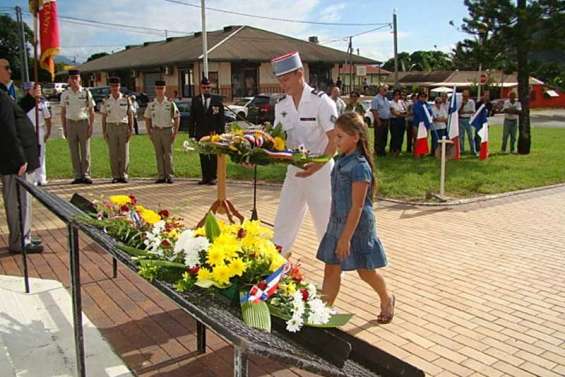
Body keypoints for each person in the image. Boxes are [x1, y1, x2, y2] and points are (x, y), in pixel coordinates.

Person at [317, 112, 394, 323]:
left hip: (357, 226)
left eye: (340, 137)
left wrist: (345, 238)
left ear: (356, 137)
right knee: (331, 268)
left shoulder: (359, 167)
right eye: (335, 136)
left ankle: (387, 298)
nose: (335, 141)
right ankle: (321, 313)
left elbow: (358, 206)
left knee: (365, 270)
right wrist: (334, 226)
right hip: (338, 223)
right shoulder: (341, 160)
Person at [270, 51, 337, 256]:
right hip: (295, 170)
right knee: (284, 220)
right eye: (280, 80)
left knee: (325, 221)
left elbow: (335, 138)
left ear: (300, 73)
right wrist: (255, 153)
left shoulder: (321, 102)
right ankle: (277, 265)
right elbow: (276, 140)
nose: (283, 84)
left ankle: (334, 270)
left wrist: (318, 164)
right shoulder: (281, 105)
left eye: (286, 79)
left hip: (321, 170)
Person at [0, 58, 43, 253]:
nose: (10, 71)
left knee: (20, 201)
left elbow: (15, 113)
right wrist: (20, 158)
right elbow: (7, 129)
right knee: (19, 202)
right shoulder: (1, 95)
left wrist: (29, 98)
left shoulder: (4, 94)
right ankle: (19, 241)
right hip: (14, 162)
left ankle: (23, 237)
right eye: (6, 68)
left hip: (13, 160)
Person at [188, 77, 226, 185]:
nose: (206, 89)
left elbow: (221, 118)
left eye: (208, 87)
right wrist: (191, 134)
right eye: (204, 87)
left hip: (213, 133)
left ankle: (213, 177)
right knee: (203, 155)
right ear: (200, 88)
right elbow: (192, 118)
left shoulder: (217, 100)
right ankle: (205, 177)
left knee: (213, 155)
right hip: (200, 132)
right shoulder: (196, 100)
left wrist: (221, 134)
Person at [60, 69, 95, 184]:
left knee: (86, 150)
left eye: (76, 78)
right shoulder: (65, 94)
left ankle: (86, 174)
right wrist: (64, 127)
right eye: (72, 78)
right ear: (68, 80)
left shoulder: (85, 92)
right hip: (70, 123)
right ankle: (77, 175)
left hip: (83, 123)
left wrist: (91, 126)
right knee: (73, 151)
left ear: (80, 79)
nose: (74, 80)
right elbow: (63, 112)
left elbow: (92, 110)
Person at [144, 80, 180, 184]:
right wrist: (149, 132)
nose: (160, 91)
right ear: (155, 90)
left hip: (167, 130)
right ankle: (161, 176)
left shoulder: (170, 103)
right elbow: (147, 118)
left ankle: (169, 176)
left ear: (165, 89)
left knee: (168, 154)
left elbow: (177, 118)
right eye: (158, 88)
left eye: (162, 88)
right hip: (156, 131)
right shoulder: (151, 105)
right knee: (158, 154)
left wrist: (175, 133)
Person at [100, 77, 133, 183]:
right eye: (113, 86)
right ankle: (115, 175)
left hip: (123, 126)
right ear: (110, 87)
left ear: (119, 86)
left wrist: (130, 129)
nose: (115, 88)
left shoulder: (126, 99)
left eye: (116, 86)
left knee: (124, 152)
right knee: (113, 152)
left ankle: (124, 175)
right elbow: (104, 117)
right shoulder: (106, 100)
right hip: (111, 127)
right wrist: (104, 130)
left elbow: (130, 114)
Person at [23, 82, 52, 186]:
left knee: (41, 153)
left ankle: (42, 177)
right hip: (28, 130)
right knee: (31, 154)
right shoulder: (24, 103)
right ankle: (33, 178)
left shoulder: (42, 103)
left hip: (39, 129)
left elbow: (48, 119)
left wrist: (48, 132)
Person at [370, 85, 391, 157]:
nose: (386, 91)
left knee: (385, 136)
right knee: (379, 136)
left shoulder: (386, 99)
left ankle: (383, 150)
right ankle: (378, 151)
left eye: (387, 90)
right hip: (380, 120)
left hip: (386, 120)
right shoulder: (376, 99)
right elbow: (374, 110)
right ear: (380, 89)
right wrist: (378, 121)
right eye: (384, 89)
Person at [389, 89, 407, 156]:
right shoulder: (391, 103)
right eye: (396, 95)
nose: (397, 96)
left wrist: (400, 113)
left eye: (399, 95)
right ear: (393, 95)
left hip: (402, 121)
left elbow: (406, 111)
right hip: (394, 121)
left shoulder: (401, 102)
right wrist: (401, 113)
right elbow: (394, 113)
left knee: (401, 136)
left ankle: (398, 150)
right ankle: (393, 150)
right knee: (394, 136)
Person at [458, 89, 476, 154]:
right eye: (464, 96)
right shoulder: (460, 102)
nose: (465, 97)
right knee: (461, 136)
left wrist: (465, 112)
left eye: (466, 96)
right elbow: (459, 112)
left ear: (468, 96)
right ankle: (462, 150)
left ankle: (473, 150)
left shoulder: (471, 102)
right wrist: (462, 105)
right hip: (461, 120)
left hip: (469, 120)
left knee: (471, 135)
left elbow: (473, 111)